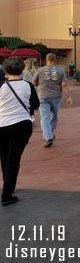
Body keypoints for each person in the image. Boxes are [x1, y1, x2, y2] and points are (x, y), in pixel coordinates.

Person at [0, 56, 39, 206]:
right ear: (22, 69)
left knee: (4, 156)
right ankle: (7, 193)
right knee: (14, 158)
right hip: (21, 124)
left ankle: (7, 186)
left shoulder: (1, 86)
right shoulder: (28, 85)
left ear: (6, 70)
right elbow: (35, 104)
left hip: (2, 125)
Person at [32, 53, 72, 147]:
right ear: (55, 60)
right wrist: (68, 97)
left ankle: (48, 136)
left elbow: (33, 82)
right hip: (56, 96)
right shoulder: (61, 70)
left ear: (46, 60)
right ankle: (50, 134)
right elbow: (64, 85)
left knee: (44, 117)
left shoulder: (39, 70)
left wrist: (39, 85)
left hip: (42, 96)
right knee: (54, 116)